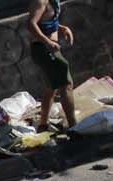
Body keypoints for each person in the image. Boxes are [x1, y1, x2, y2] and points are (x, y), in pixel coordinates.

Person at [28, 0, 77, 131]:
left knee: (51, 87)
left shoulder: (52, 1)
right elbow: (31, 24)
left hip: (45, 48)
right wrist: (48, 42)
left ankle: (43, 125)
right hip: (44, 48)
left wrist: (61, 28)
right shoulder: (40, 1)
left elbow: (45, 20)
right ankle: (74, 128)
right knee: (66, 84)